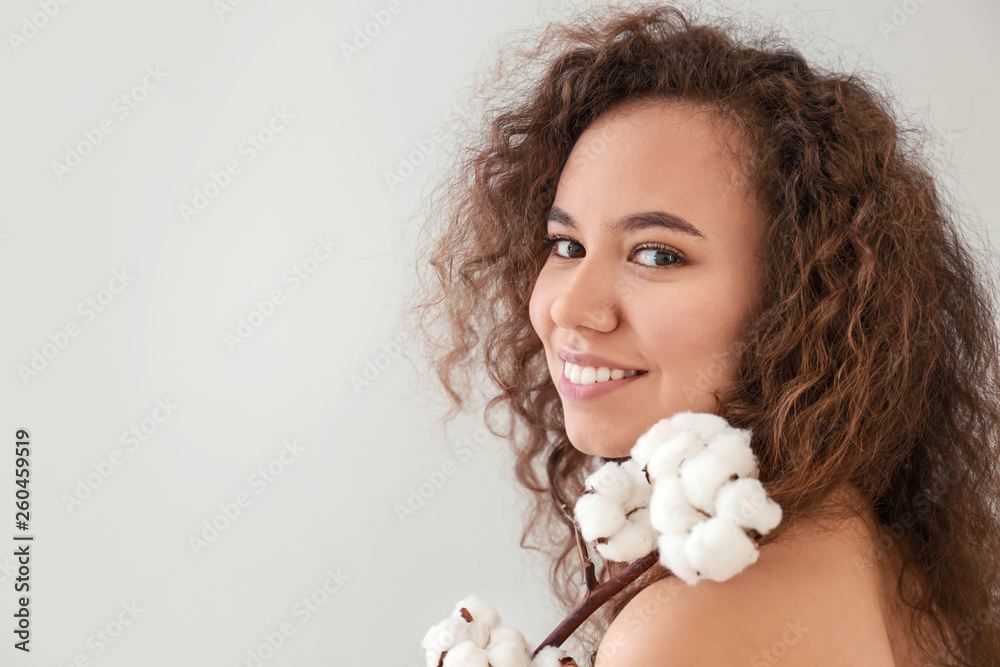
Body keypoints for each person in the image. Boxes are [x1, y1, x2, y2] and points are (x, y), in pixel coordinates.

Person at [401, 3, 1000, 665]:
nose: (571, 306)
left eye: (657, 254)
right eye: (565, 244)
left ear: (800, 295)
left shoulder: (679, 633)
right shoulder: (867, 539)